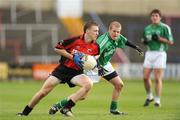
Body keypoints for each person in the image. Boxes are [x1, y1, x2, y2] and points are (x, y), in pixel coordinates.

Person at [49, 21, 144, 115]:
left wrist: (136, 47)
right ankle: (58, 105)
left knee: (119, 84)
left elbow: (125, 41)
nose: (116, 34)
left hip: (105, 64)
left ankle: (113, 110)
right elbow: (94, 57)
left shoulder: (118, 37)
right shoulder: (102, 41)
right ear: (109, 30)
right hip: (94, 66)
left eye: (118, 32)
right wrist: (98, 67)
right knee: (83, 96)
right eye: (114, 31)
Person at [17, 21, 100, 117]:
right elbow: (57, 48)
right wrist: (72, 57)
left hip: (77, 73)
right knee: (43, 93)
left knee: (88, 84)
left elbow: (97, 55)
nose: (97, 33)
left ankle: (67, 108)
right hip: (62, 70)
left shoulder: (95, 46)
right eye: (95, 31)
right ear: (87, 31)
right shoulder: (74, 40)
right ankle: (24, 113)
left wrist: (94, 62)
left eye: (97, 31)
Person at [141, 9, 174, 107]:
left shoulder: (165, 28)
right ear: (151, 17)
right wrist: (145, 41)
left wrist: (160, 39)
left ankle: (157, 100)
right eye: (153, 15)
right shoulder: (147, 28)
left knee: (157, 78)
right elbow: (143, 39)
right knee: (145, 77)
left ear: (160, 17)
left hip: (160, 53)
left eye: (156, 16)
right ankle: (149, 96)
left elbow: (171, 42)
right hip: (149, 53)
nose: (154, 17)